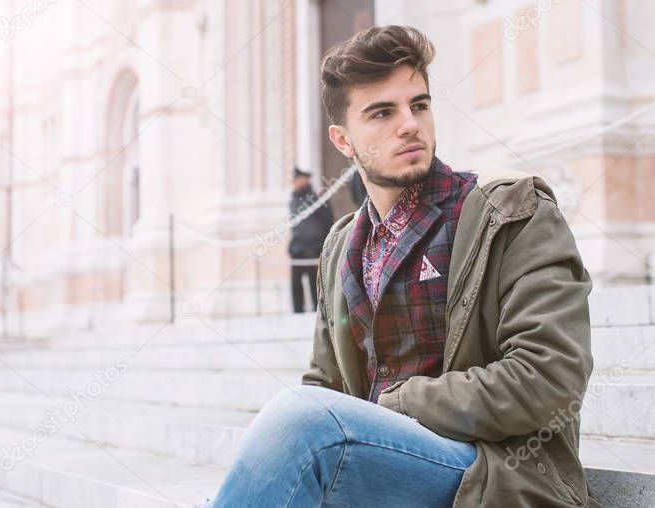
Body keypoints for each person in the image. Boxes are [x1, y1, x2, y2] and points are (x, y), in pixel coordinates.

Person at [207, 26, 596, 507]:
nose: (409, 124)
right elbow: (324, 386)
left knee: (303, 425)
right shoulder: (341, 247)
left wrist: (398, 405)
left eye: (419, 105)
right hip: (382, 472)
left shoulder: (513, 214)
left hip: (497, 476)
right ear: (343, 140)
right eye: (382, 113)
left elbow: (550, 379)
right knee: (296, 425)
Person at [287, 167, 334, 313]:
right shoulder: (293, 199)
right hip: (298, 246)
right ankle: (297, 311)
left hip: (314, 245)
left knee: (315, 282)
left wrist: (325, 244)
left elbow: (328, 221)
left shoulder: (317, 199)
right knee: (296, 282)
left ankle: (317, 310)